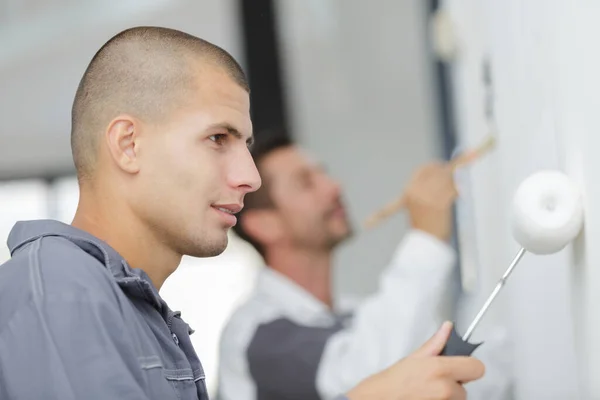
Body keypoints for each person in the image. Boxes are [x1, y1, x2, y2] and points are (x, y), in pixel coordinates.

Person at [0, 26, 484, 400]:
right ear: (129, 145)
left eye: (245, 145)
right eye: (218, 139)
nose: (249, 178)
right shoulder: (60, 289)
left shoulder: (143, 314)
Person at [217, 136, 513, 400]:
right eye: (306, 182)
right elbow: (366, 379)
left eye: (324, 174)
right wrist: (427, 238)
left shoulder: (353, 315)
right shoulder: (255, 336)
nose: (334, 187)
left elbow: (458, 382)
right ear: (264, 225)